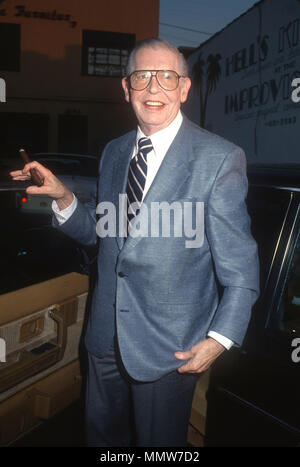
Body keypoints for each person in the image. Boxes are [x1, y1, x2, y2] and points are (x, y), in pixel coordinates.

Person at [10, 38, 259, 447]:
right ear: (126, 89)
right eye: (142, 77)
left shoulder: (219, 158)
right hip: (104, 337)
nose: (153, 88)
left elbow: (242, 269)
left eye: (167, 77)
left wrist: (219, 339)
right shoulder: (115, 152)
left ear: (184, 88)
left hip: (169, 352)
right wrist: (62, 195)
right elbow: (100, 232)